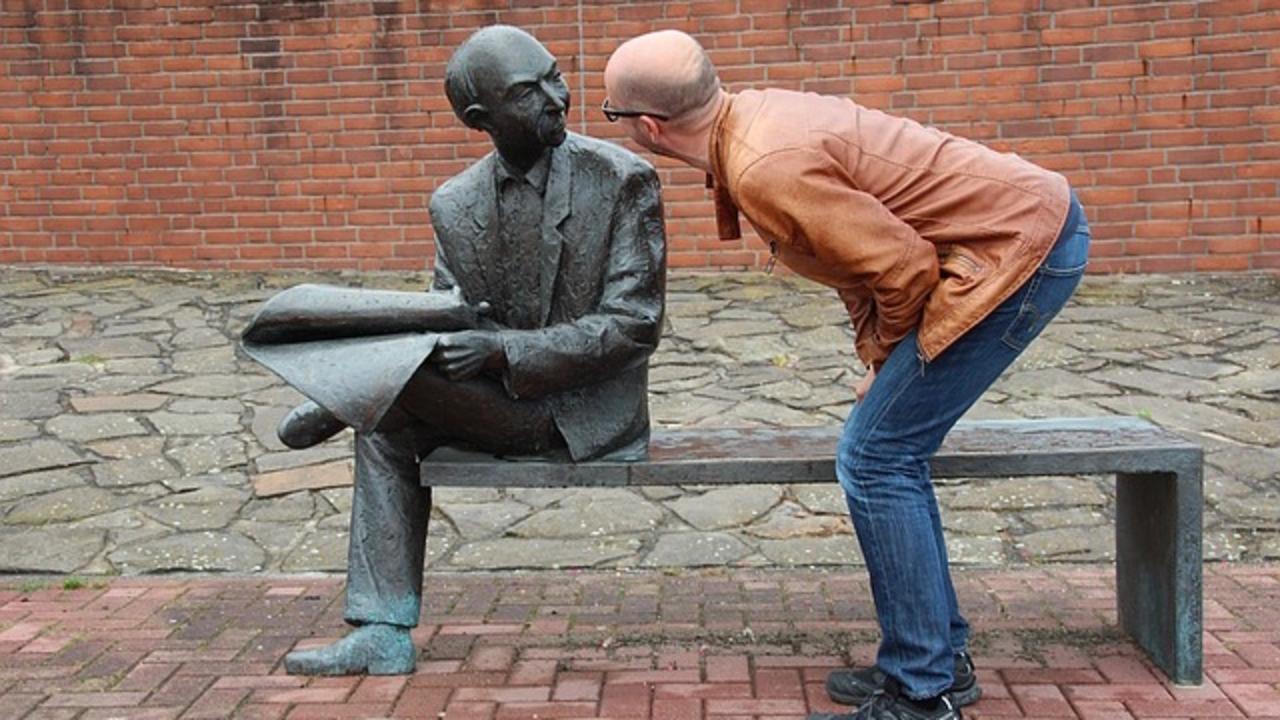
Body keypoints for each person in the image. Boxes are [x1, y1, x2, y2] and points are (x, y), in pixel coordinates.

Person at [604, 30, 1090, 720]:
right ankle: (938, 658)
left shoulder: (764, 166)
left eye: (612, 114)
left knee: (877, 457)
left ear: (648, 127)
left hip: (1019, 253)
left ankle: (920, 693)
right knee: (888, 451)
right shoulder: (750, 121)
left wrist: (887, 356)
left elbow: (903, 268)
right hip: (1018, 234)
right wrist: (879, 360)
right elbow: (856, 260)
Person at [267, 25, 666, 675]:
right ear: (480, 118)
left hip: (582, 410)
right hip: (494, 401)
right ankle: (382, 630)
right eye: (527, 91)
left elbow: (633, 325)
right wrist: (454, 336)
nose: (556, 98)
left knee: (378, 402)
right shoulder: (455, 204)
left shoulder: (621, 179)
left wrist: (501, 349)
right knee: (385, 416)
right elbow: (448, 314)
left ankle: (337, 398)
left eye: (555, 76)